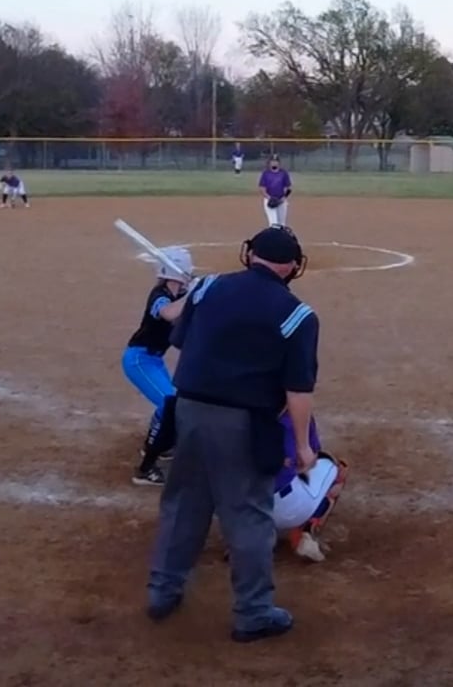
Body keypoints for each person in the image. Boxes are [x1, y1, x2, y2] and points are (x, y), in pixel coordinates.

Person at [146, 227, 320, 643]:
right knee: (248, 517)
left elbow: (181, 339)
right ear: (293, 267)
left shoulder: (207, 287)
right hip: (245, 422)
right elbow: (298, 390)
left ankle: (162, 591)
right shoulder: (299, 315)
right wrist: (301, 446)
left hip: (188, 411)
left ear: (249, 255)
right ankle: (253, 613)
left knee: (184, 505)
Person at [124, 246, 193, 486]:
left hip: (153, 360)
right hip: (139, 360)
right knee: (170, 403)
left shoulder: (178, 296)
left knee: (172, 401)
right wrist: (193, 294)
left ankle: (156, 444)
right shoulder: (160, 295)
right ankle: (145, 469)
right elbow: (168, 313)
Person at [271, 413, 345, 563]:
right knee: (339, 469)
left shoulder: (234, 413)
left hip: (244, 509)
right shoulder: (297, 414)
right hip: (287, 507)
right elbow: (310, 460)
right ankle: (307, 534)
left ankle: (242, 540)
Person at [258, 157, 293, 230]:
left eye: (276, 161)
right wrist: (269, 198)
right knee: (273, 224)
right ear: (269, 163)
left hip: (281, 200)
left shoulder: (283, 173)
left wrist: (284, 198)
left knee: (282, 224)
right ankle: (273, 236)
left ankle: (281, 237)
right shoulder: (266, 173)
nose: (274, 163)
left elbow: (289, 187)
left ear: (279, 163)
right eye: (272, 161)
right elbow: (262, 188)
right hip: (269, 200)